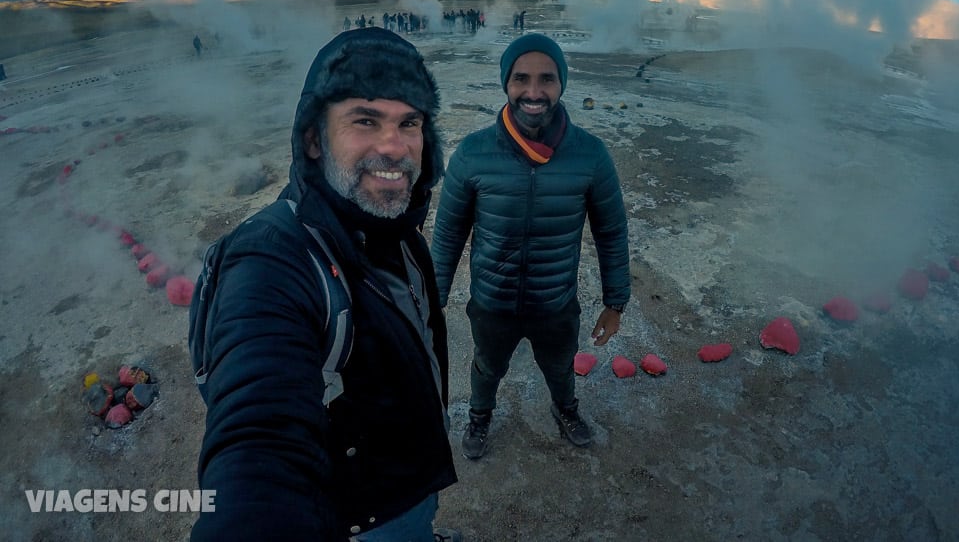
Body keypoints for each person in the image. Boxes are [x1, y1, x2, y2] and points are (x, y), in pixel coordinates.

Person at [192, 27, 460, 541]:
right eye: (365, 120)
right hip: (366, 514)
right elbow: (258, 438)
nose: (394, 147)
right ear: (313, 138)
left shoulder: (394, 229)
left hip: (410, 473)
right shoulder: (270, 257)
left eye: (410, 122)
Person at [431, 33, 631, 460]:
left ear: (562, 84)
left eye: (547, 79)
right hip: (492, 300)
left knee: (560, 367)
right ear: (506, 83)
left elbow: (611, 232)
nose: (534, 92)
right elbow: (448, 233)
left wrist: (615, 302)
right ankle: (480, 416)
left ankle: (566, 410)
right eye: (522, 78)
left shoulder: (590, 155)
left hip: (555, 302)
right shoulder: (472, 153)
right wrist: (434, 299)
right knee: (487, 367)